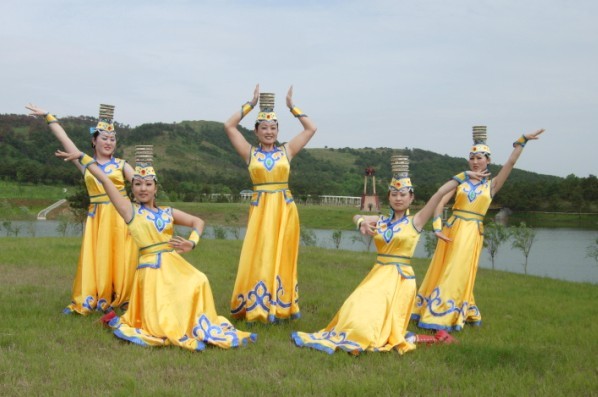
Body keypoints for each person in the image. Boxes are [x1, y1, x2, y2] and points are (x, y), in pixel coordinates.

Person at [55, 146, 256, 351]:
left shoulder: (168, 212)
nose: (143, 188)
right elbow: (106, 181)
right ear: (132, 189)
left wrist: (192, 242)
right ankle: (169, 323)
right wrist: (82, 157)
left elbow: (198, 221)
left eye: (148, 184)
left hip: (173, 263)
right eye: (138, 184)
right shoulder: (129, 211)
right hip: (151, 269)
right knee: (170, 303)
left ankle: (193, 323)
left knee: (199, 280)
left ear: (155, 188)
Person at [291, 156, 488, 355]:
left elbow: (439, 194)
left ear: (411, 197)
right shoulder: (382, 220)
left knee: (369, 327)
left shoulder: (416, 221)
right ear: (389, 197)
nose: (398, 198)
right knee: (352, 308)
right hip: (378, 275)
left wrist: (462, 176)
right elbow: (357, 216)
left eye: (403, 194)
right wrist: (361, 223)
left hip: (399, 280)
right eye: (394, 194)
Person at [412, 126, 545, 332]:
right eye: (472, 158)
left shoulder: (491, 185)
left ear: (488, 160)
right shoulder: (461, 180)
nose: (475, 161)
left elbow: (510, 163)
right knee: (443, 267)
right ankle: (439, 308)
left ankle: (444, 313)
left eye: (480, 158)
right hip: (452, 228)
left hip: (472, 232)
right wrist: (437, 226)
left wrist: (522, 141)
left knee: (459, 269)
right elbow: (440, 201)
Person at [25, 103, 138, 315]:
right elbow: (66, 141)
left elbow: (141, 186)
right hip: (97, 218)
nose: (108, 142)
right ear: (93, 141)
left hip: (120, 217)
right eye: (103, 138)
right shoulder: (85, 163)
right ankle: (95, 296)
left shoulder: (122, 165)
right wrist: (49, 117)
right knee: (98, 257)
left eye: (112, 139)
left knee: (122, 257)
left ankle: (122, 297)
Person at [223, 85, 317, 323]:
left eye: (273, 127)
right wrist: (250, 104)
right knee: (259, 254)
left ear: (277, 130)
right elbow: (228, 126)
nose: (269, 131)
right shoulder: (250, 153)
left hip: (285, 210)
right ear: (256, 131)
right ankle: (257, 304)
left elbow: (311, 128)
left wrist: (291, 107)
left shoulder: (287, 151)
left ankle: (282, 305)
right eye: (264, 127)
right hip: (261, 210)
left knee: (282, 254)